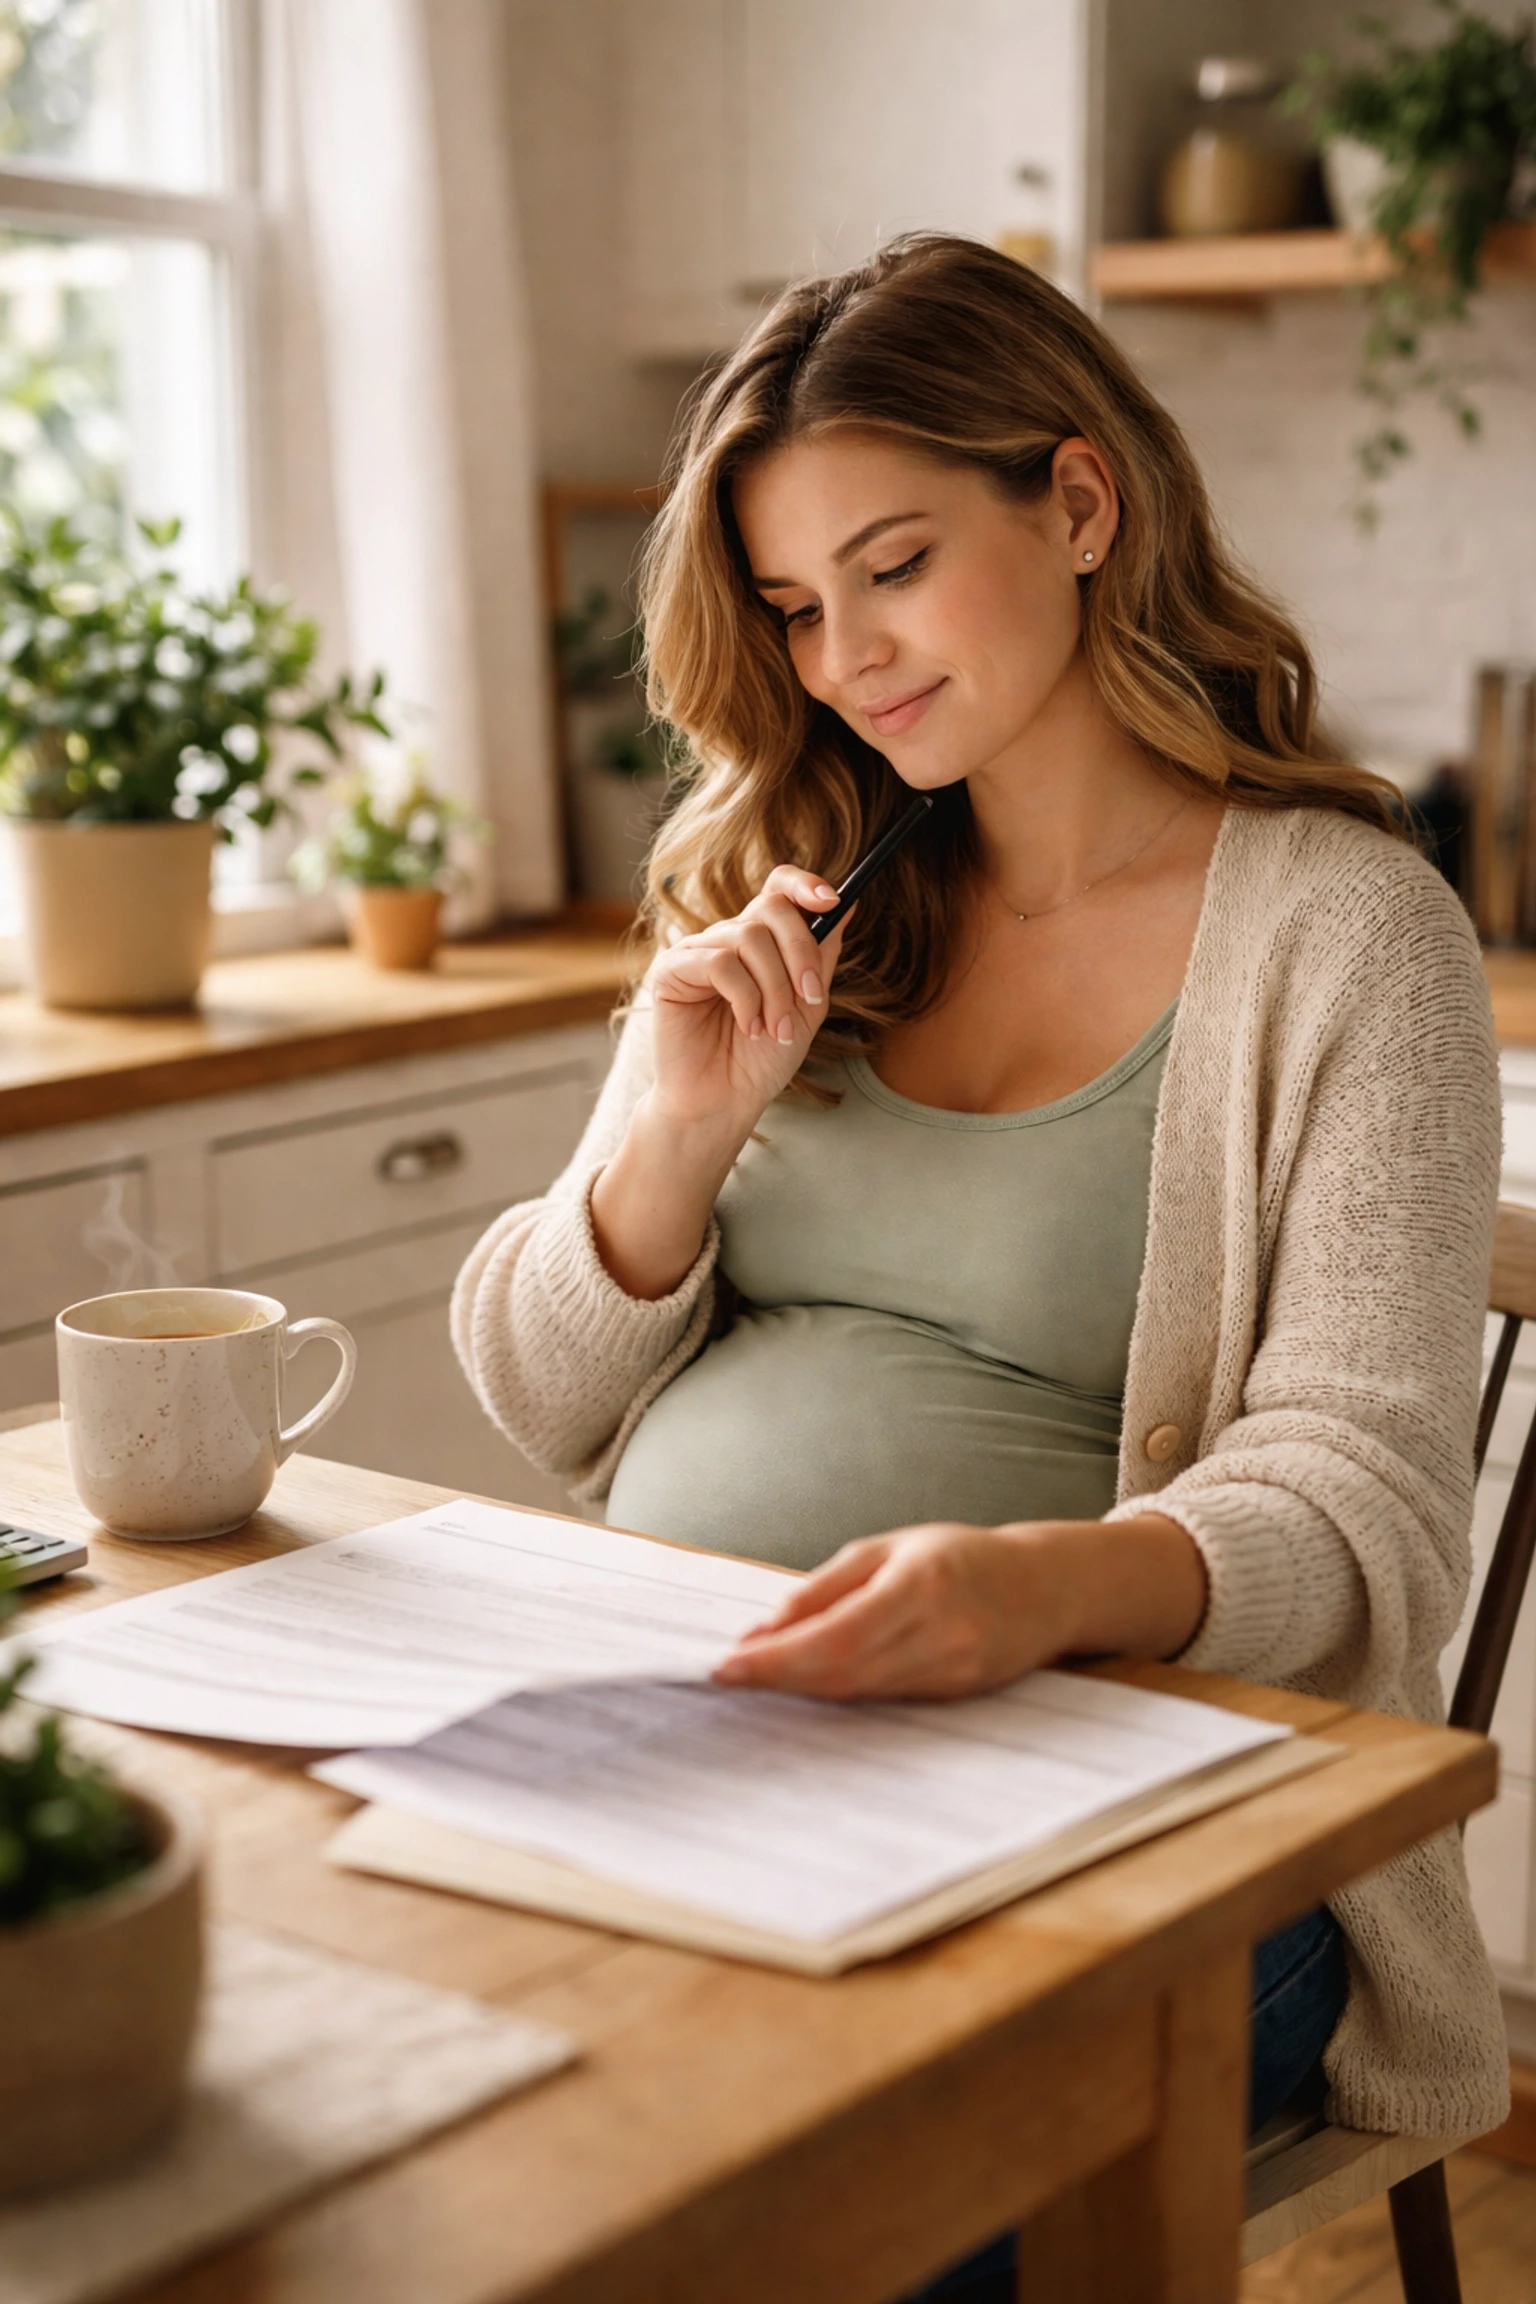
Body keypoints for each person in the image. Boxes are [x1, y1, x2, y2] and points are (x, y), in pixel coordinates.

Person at [454, 234, 1507, 2301]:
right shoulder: (794, 881)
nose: (842, 653)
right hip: (693, 1753)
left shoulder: (1350, 936)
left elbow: (1370, 1509)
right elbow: (534, 1389)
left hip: (1154, 1812)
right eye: (792, 605)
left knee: (754, 2241)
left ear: (1082, 500)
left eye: (897, 564)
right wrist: (675, 1131)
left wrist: (1030, 1591)